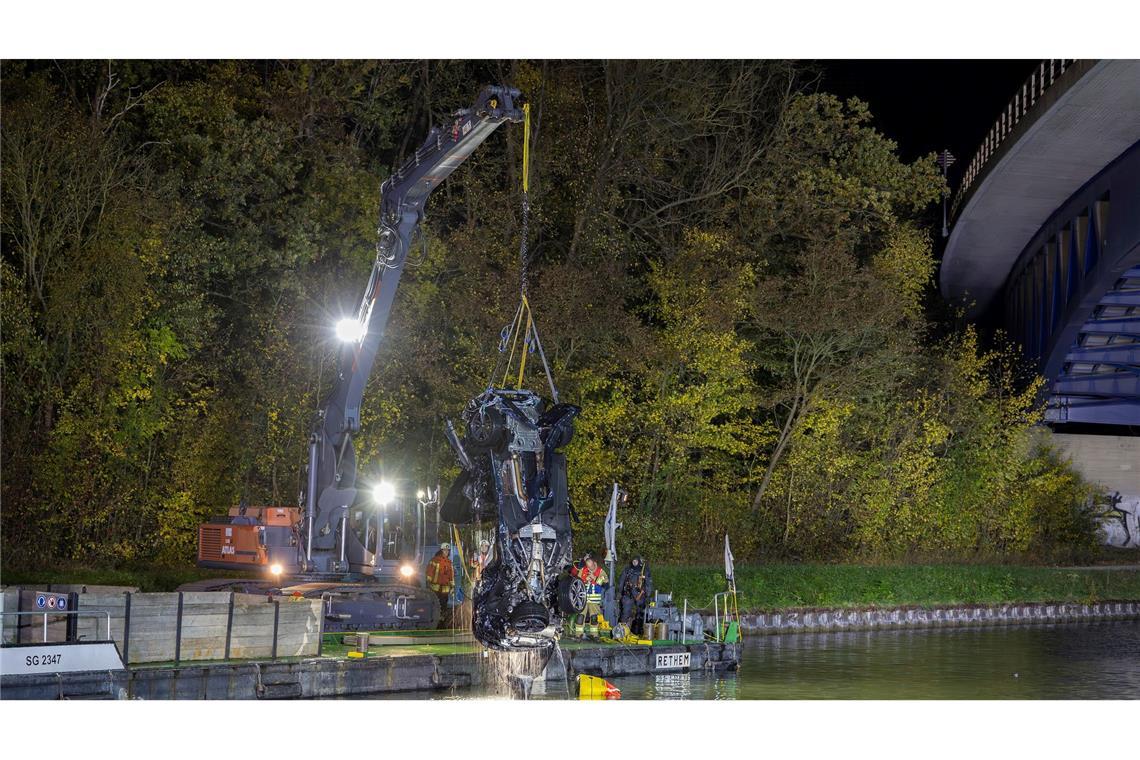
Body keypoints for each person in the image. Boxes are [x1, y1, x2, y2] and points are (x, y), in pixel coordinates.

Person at [572, 553, 608, 639]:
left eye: (590, 565)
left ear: (594, 562)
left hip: (594, 600)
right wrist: (584, 580)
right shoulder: (583, 570)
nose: (588, 567)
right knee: (580, 617)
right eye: (587, 565)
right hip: (583, 598)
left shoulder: (600, 571)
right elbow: (577, 582)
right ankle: (578, 635)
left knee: (594, 617)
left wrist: (595, 578)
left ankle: (594, 635)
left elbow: (605, 585)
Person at [616, 556, 653, 636]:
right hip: (628, 594)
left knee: (640, 614)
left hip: (640, 594)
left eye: (636, 561)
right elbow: (621, 581)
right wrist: (619, 593)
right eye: (633, 561)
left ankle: (638, 631)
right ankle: (621, 632)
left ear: (639, 562)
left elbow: (648, 583)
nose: (634, 563)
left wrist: (648, 595)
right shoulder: (627, 569)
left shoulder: (645, 570)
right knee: (625, 612)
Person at [426, 542, 455, 627]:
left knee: (443, 605)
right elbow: (429, 572)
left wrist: (452, 587)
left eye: (448, 550)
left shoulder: (449, 562)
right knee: (435, 604)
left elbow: (451, 576)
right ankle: (433, 620)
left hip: (445, 588)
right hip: (435, 587)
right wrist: (428, 582)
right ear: (441, 550)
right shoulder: (435, 560)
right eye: (445, 550)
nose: (446, 552)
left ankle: (441, 622)